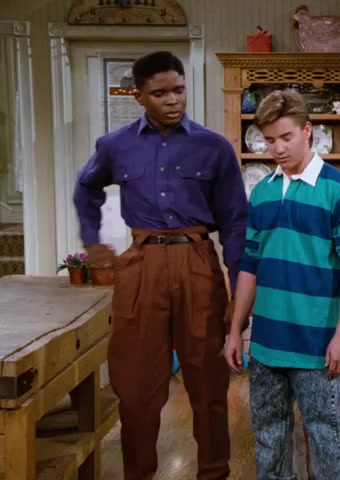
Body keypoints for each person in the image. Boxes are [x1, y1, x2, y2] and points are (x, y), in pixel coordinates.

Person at [73, 51, 247, 480]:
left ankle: (214, 473)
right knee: (135, 386)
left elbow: (235, 222)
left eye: (179, 90)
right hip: (141, 265)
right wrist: (92, 240)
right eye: (160, 93)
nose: (173, 100)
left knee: (208, 382)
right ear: (139, 96)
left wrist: (239, 294)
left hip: (198, 263)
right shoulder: (115, 146)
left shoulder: (214, 148)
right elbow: (86, 188)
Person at [224, 89, 340, 480]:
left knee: (327, 442)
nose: (278, 148)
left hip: (317, 345)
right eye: (270, 140)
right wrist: (235, 331)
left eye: (286, 137)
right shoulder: (262, 193)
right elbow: (250, 264)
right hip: (266, 344)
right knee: (268, 441)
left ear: (308, 130)